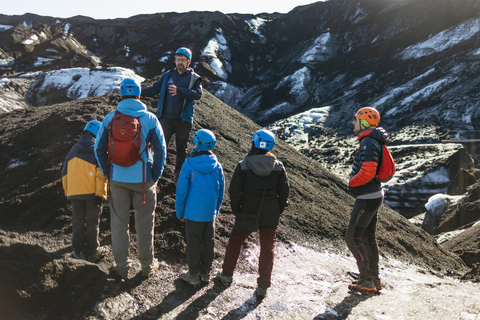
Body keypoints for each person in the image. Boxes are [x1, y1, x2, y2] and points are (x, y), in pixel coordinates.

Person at [95, 78, 167, 279]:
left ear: (121, 94)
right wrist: (155, 176)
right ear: (139, 94)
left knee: (119, 224)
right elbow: (161, 150)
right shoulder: (150, 119)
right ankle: (146, 266)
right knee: (144, 224)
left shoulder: (110, 119)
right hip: (144, 180)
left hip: (118, 178)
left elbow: (98, 147)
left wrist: (108, 172)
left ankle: (121, 267)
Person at [217, 129, 290, 299]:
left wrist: (238, 210)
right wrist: (277, 210)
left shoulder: (243, 165)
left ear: (254, 143)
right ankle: (263, 286)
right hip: (270, 214)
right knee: (267, 248)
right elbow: (284, 193)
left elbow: (235, 191)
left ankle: (227, 275)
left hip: (247, 212)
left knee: (235, 242)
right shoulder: (278, 167)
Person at [141, 47, 203, 181]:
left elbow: (198, 94)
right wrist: (137, 92)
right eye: (178, 60)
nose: (180, 62)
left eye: (183, 60)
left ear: (189, 62)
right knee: (160, 146)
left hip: (183, 120)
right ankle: (155, 171)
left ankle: (178, 175)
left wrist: (180, 90)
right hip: (165, 118)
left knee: (181, 148)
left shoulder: (194, 78)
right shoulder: (168, 75)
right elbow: (154, 89)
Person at [346, 106, 388, 293]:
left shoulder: (368, 142)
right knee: (368, 238)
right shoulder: (373, 140)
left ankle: (366, 280)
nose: (353, 123)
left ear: (364, 122)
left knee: (353, 237)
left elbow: (368, 171)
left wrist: (351, 183)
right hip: (373, 195)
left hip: (367, 196)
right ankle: (374, 279)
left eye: (356, 119)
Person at [176, 129, 225, 286]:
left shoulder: (189, 164)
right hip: (210, 214)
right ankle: (206, 273)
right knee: (208, 242)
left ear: (197, 143)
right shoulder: (217, 166)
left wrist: (180, 212)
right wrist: (215, 210)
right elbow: (220, 191)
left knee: (194, 242)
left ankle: (193, 274)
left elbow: (182, 191)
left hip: (192, 214)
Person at [62, 120, 108, 262]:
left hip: (75, 192)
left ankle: (78, 250)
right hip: (93, 194)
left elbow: (64, 172)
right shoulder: (98, 149)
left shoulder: (73, 150)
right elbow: (102, 173)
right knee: (93, 223)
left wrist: (68, 191)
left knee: (78, 221)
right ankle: (93, 252)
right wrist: (101, 194)